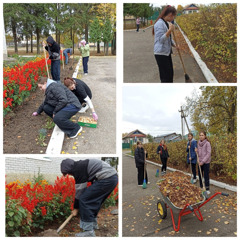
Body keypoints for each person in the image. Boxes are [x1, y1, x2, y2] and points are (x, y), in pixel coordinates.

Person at [61, 158, 118, 237]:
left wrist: (76, 209)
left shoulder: (78, 169)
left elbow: (79, 193)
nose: (69, 175)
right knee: (93, 200)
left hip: (107, 178)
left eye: (67, 173)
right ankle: (93, 225)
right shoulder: (80, 165)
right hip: (112, 178)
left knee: (84, 200)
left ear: (69, 169)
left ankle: (89, 231)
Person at [152, 5, 178, 83]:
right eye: (174, 16)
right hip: (161, 54)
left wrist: (175, 45)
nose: (173, 18)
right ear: (170, 15)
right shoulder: (160, 24)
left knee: (170, 74)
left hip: (166, 53)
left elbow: (169, 38)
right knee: (166, 77)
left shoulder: (166, 23)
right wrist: (170, 30)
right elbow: (161, 40)